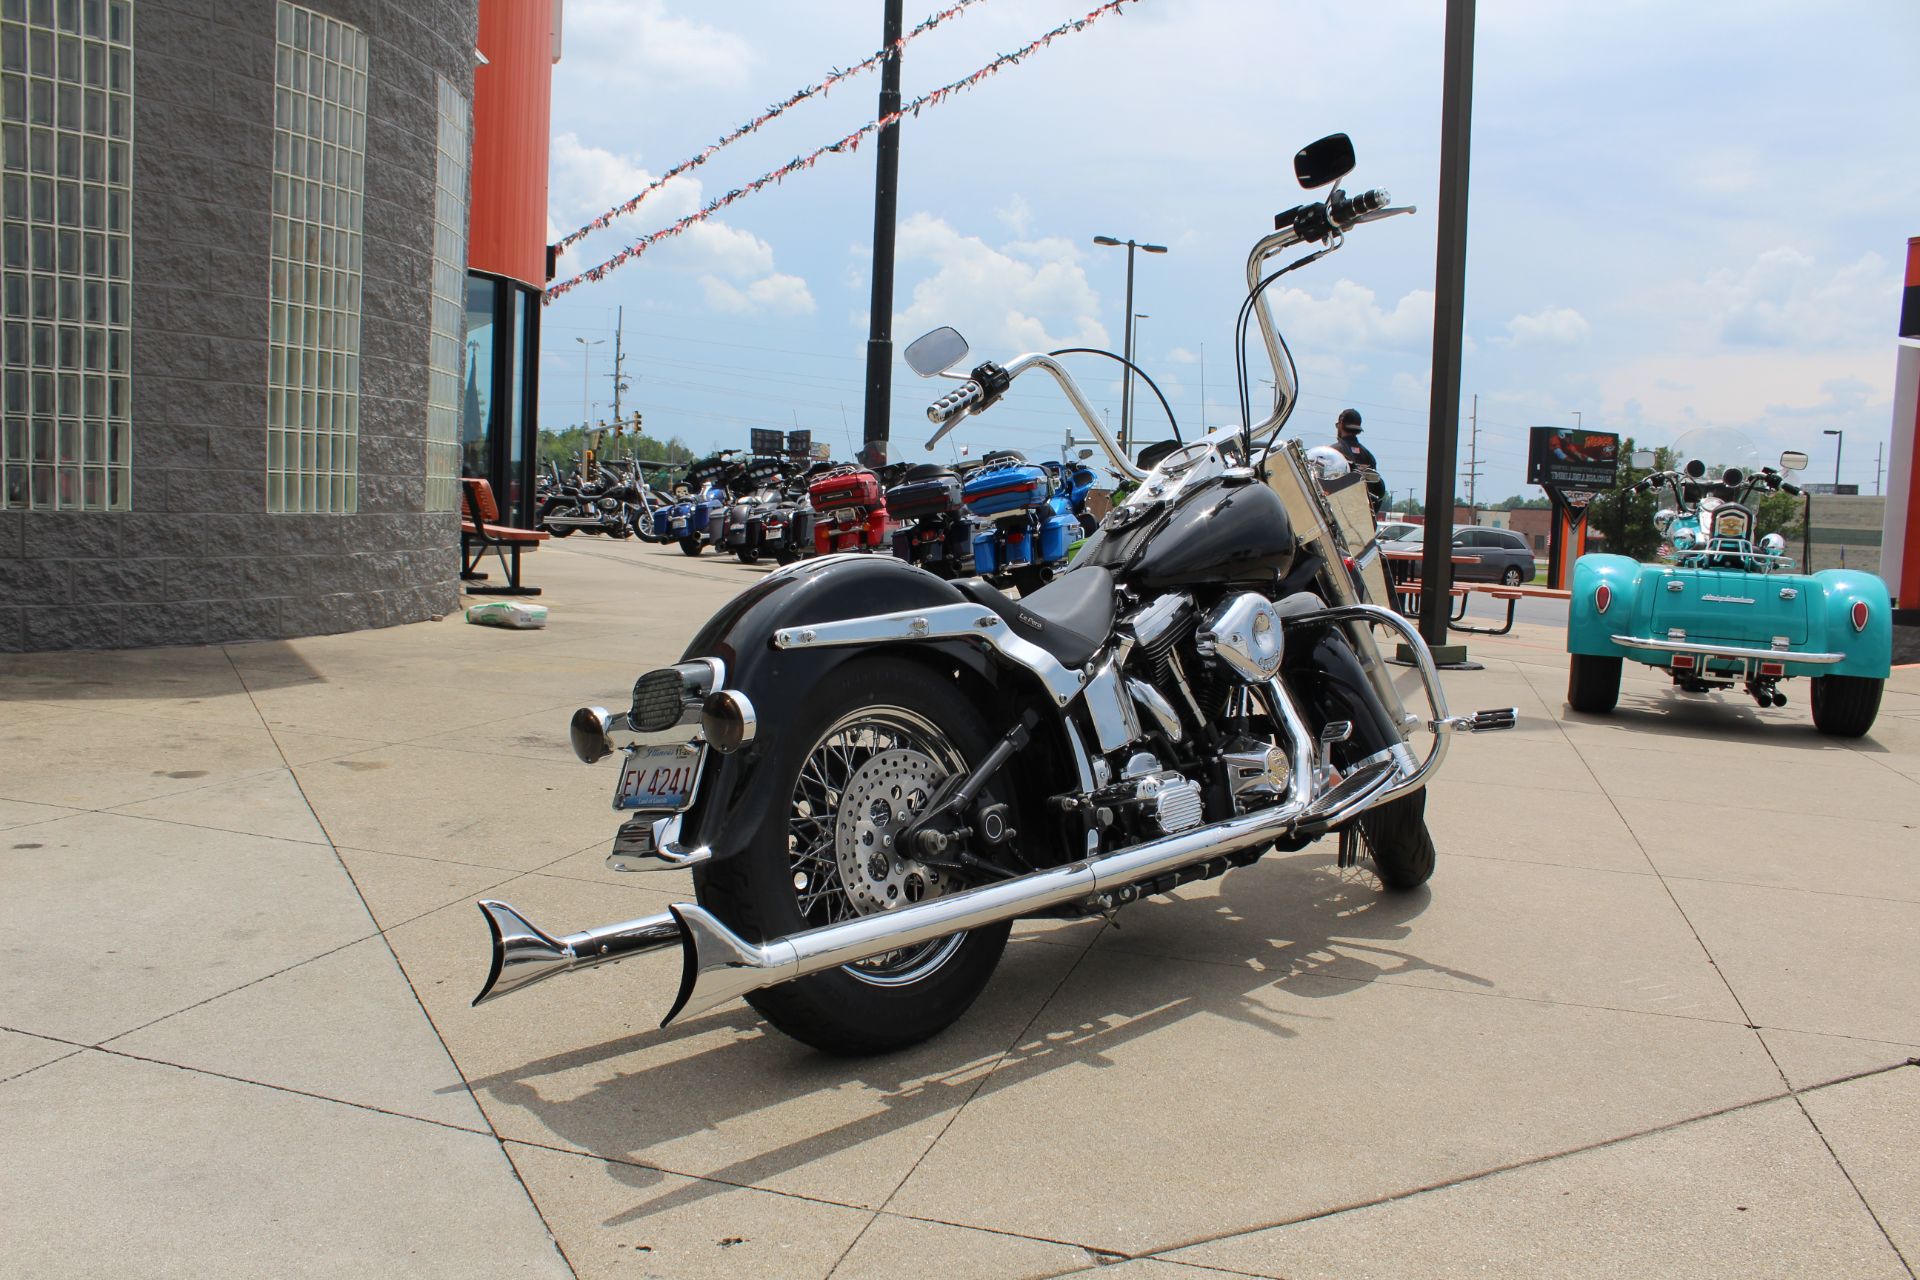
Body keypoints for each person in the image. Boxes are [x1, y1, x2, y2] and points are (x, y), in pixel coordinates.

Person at [1331, 408, 1386, 513]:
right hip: (1363, 516)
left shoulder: (1333, 452)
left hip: (1339, 514)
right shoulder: (1368, 456)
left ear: (1341, 424)